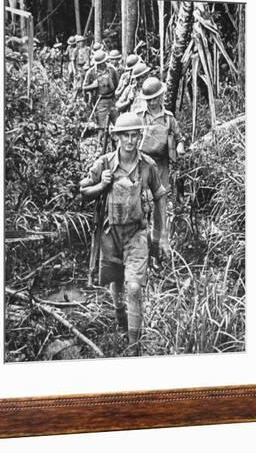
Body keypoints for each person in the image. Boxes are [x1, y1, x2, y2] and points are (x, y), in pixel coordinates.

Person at [80, 112, 169, 355]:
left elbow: (160, 196)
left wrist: (161, 237)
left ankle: (134, 347)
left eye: (134, 135)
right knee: (116, 281)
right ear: (117, 137)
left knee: (134, 287)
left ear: (140, 136)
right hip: (110, 234)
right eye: (125, 136)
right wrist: (102, 185)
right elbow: (83, 191)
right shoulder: (105, 164)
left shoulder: (147, 166)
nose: (130, 141)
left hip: (136, 234)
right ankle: (121, 322)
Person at [136, 77, 185, 253]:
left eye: (156, 98)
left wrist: (179, 148)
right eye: (149, 99)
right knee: (141, 202)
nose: (153, 102)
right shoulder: (139, 117)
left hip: (161, 165)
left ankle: (160, 242)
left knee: (161, 202)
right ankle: (141, 243)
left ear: (162, 97)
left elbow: (180, 138)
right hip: (143, 165)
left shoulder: (168, 118)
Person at [82, 50, 119, 140]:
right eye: (98, 63)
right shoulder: (91, 72)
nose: (100, 65)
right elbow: (84, 87)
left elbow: (117, 83)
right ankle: (100, 147)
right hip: (100, 102)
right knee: (101, 129)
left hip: (112, 100)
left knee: (118, 125)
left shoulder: (112, 70)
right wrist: (93, 85)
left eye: (102, 63)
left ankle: (116, 146)